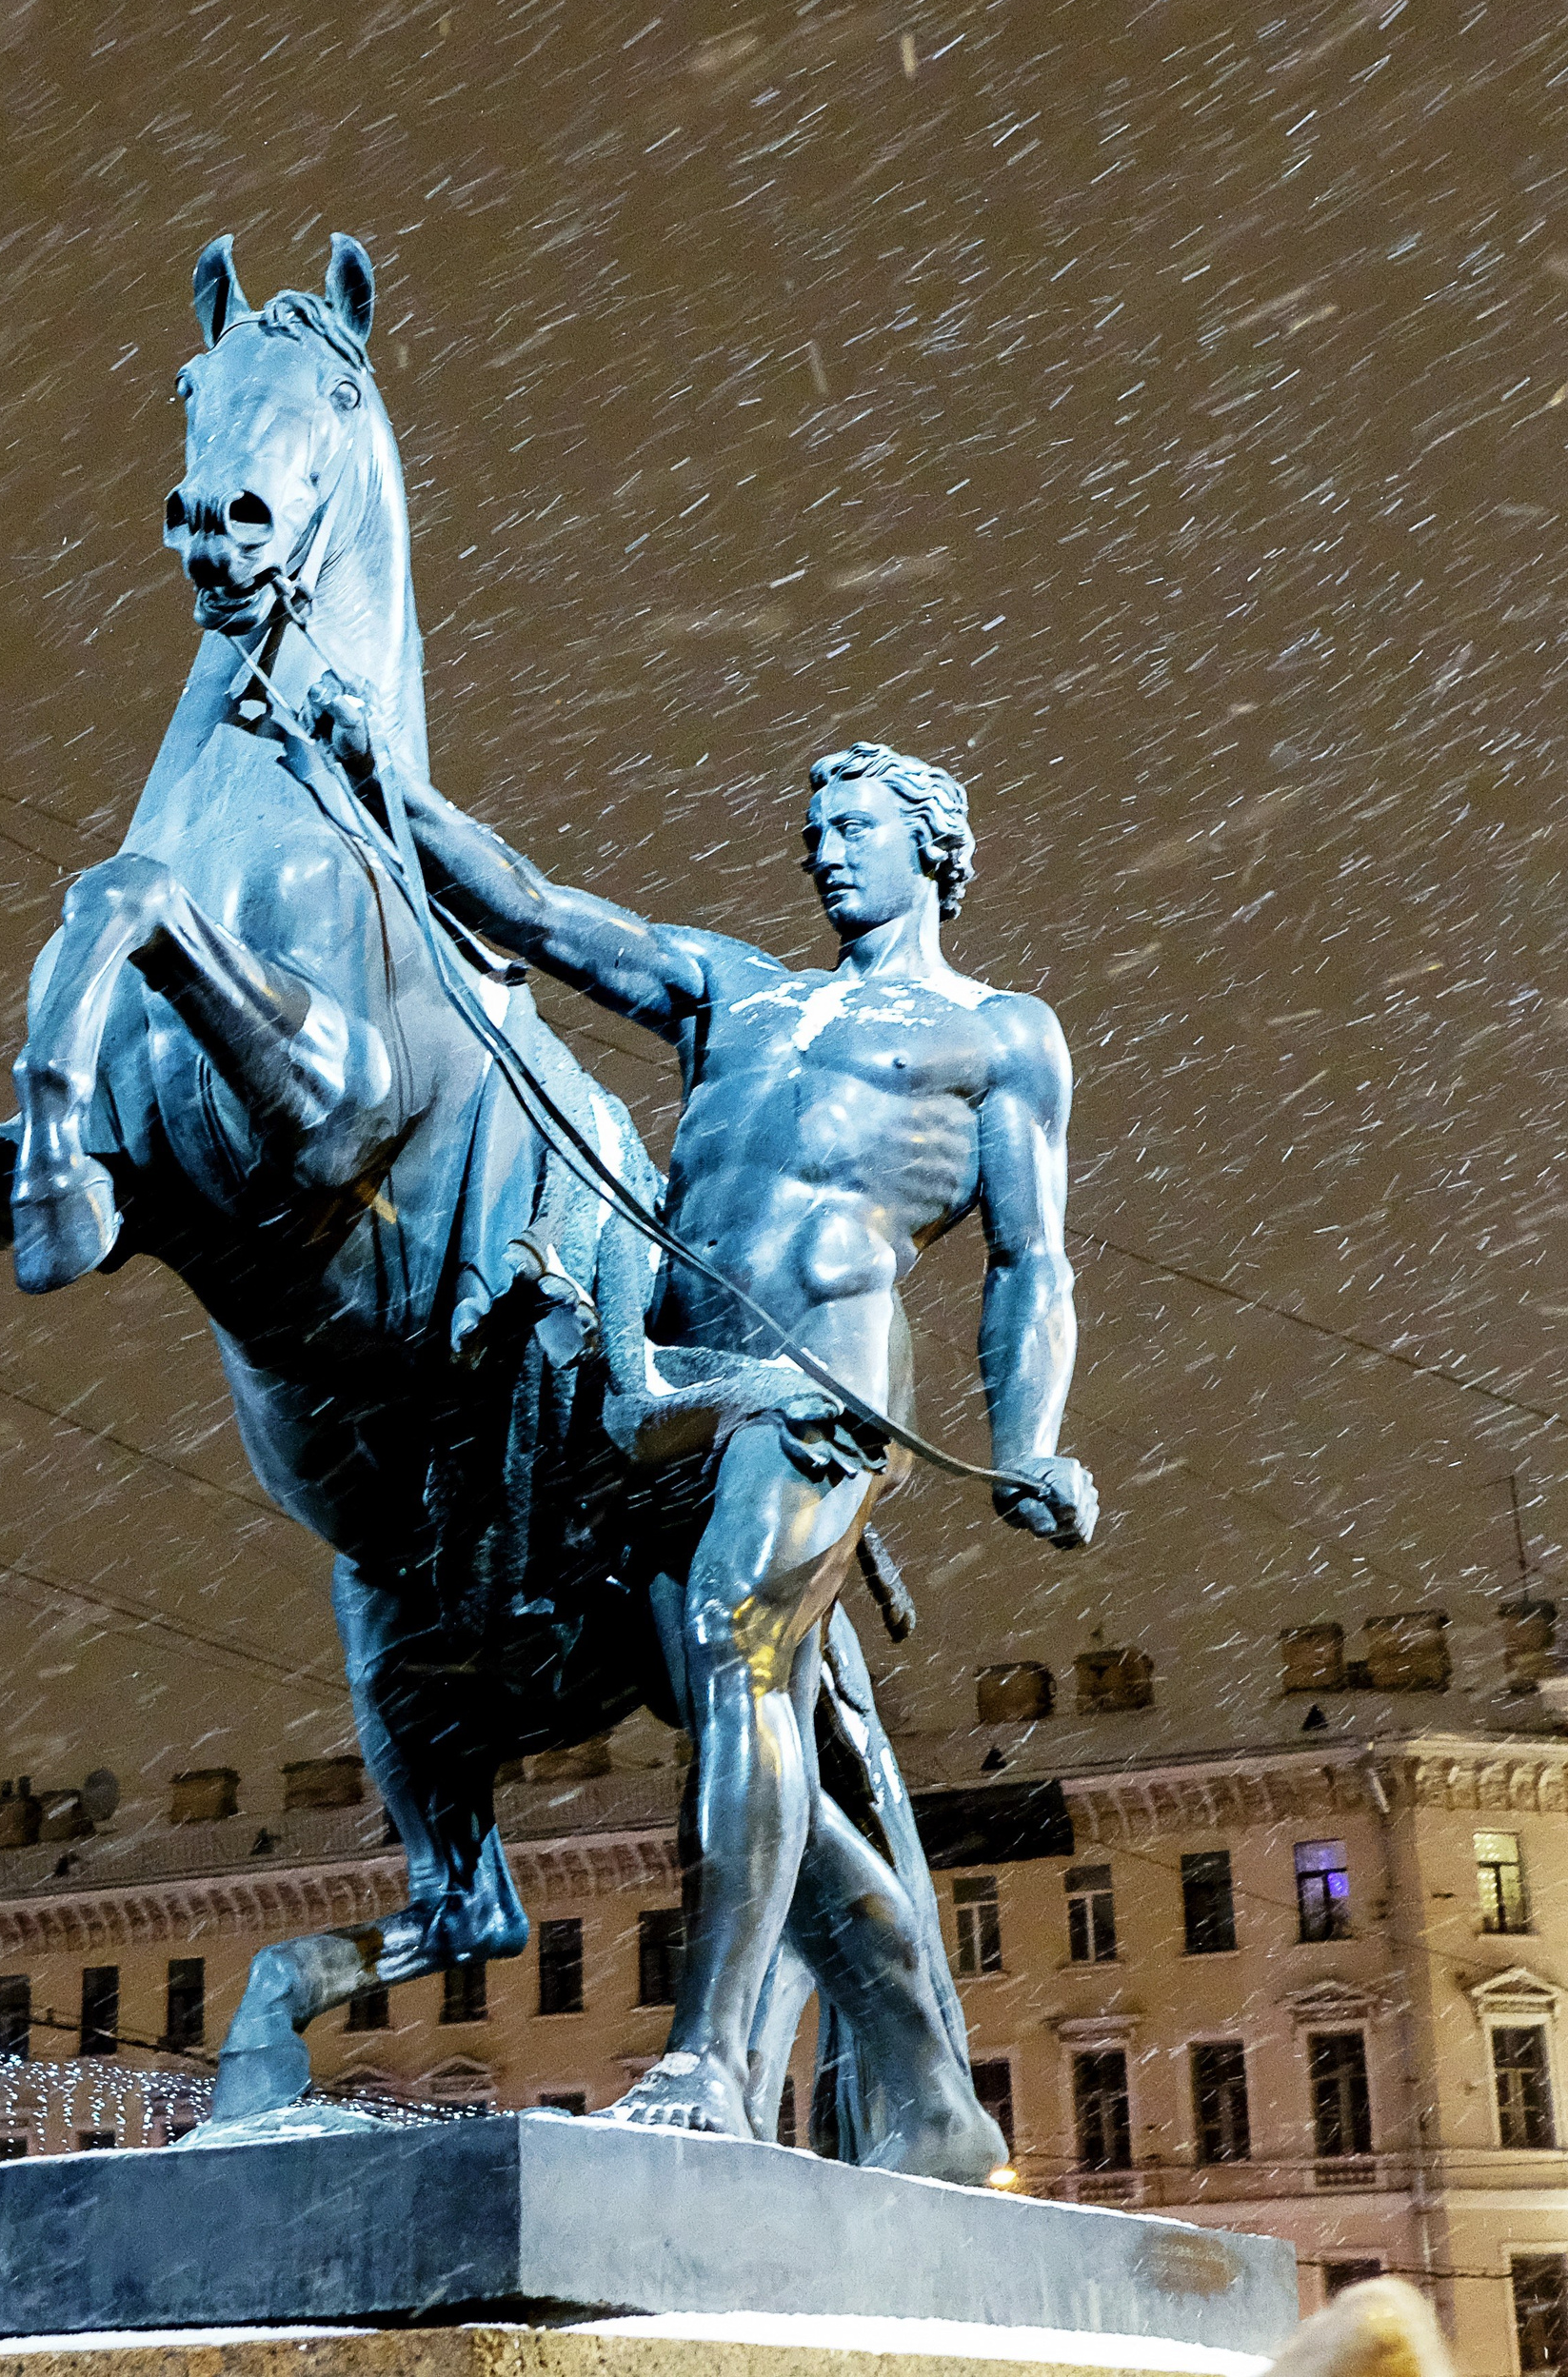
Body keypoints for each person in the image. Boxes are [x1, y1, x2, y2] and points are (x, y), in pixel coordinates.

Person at [314, 686, 1096, 2139]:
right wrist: (384, 781)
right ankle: (929, 2091)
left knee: (742, 1651)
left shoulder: (997, 1031)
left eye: (853, 826)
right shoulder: (739, 990)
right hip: (663, 1390)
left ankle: (713, 2067)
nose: (823, 853)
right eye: (811, 833)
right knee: (747, 1715)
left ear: (932, 844)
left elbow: (1032, 1260)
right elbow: (541, 913)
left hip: (823, 1370)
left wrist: (1030, 1438)